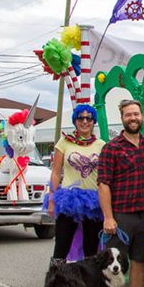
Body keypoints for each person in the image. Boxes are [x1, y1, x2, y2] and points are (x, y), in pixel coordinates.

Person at [97, 99, 144, 287]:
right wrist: (108, 217)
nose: (133, 118)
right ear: (122, 118)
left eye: (136, 114)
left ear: (142, 117)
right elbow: (103, 184)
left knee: (140, 263)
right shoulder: (112, 147)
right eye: (128, 114)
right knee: (115, 266)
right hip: (120, 216)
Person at [46, 104, 106, 263]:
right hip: (69, 201)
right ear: (75, 121)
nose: (85, 121)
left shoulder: (101, 144)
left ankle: (89, 283)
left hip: (94, 202)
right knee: (61, 246)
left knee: (92, 248)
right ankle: (55, 282)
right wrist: (51, 199)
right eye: (81, 118)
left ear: (94, 121)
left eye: (89, 118)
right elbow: (56, 173)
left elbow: (105, 175)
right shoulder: (64, 142)